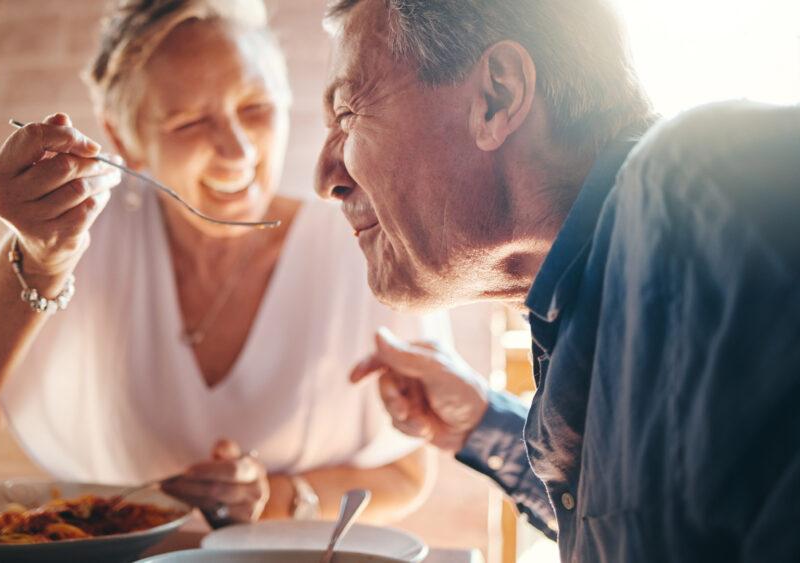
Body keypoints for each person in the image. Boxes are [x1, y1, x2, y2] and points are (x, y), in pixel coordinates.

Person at [316, 0, 800, 560]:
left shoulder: (701, 195)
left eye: (348, 114)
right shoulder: (586, 298)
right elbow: (649, 516)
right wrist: (481, 426)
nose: (325, 178)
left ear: (497, 97)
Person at [0, 0, 448, 525]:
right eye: (189, 122)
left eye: (255, 107)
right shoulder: (75, 229)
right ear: (124, 139)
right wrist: (39, 255)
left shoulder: (361, 243)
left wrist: (271, 499)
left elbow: (407, 475)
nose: (236, 150)